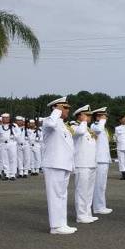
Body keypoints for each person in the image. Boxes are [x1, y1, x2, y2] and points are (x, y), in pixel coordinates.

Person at [41, 97, 76, 235]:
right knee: (55, 196)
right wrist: (56, 111)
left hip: (63, 164)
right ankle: (55, 226)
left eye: (67, 108)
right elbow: (51, 124)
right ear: (56, 108)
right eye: (65, 108)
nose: (68, 110)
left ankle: (62, 223)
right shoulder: (49, 121)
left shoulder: (63, 125)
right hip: (54, 163)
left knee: (62, 196)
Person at [71, 105, 98, 224]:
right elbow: (80, 132)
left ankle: (87, 213)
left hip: (91, 163)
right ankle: (81, 215)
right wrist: (83, 121)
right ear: (80, 116)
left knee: (89, 191)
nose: (90, 117)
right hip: (81, 163)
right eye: (87, 115)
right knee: (81, 191)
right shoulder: (74, 126)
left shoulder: (88, 129)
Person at [90, 107, 113, 215]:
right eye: (104, 116)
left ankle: (101, 205)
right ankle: (98, 207)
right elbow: (98, 130)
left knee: (102, 185)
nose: (106, 118)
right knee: (98, 185)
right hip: (99, 159)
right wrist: (102, 121)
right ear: (98, 116)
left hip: (104, 158)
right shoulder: (94, 126)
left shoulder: (102, 127)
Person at [0, 113, 19, 181]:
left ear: (9, 118)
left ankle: (12, 174)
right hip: (3, 144)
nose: (5, 119)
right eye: (3, 118)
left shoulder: (14, 125)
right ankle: (7, 174)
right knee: (4, 159)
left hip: (11, 143)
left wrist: (14, 136)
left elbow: (19, 133)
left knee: (12, 159)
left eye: (6, 118)